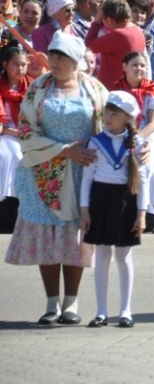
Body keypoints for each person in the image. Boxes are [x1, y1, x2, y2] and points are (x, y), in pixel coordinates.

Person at [5, 32, 107, 325]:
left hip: (83, 174)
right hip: (43, 171)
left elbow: (112, 126)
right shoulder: (38, 88)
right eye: (52, 55)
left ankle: (71, 303)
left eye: (62, 56)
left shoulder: (95, 90)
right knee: (47, 237)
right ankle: (52, 304)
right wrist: (63, 151)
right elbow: (25, 131)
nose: (55, 61)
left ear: (76, 61)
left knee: (75, 238)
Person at [80, 90, 148, 328]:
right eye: (107, 112)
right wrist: (85, 210)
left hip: (125, 201)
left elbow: (143, 180)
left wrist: (141, 214)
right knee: (102, 255)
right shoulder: (96, 142)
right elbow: (87, 178)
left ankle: (125, 311)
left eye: (115, 114)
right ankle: (101, 311)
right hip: (100, 200)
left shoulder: (138, 144)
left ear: (128, 118)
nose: (108, 117)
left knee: (123, 255)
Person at [113, 52, 154, 232]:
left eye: (143, 66)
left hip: (146, 135)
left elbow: (153, 123)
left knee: (149, 172)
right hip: (123, 135)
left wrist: (138, 139)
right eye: (135, 65)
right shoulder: (117, 89)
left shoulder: (151, 89)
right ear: (125, 67)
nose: (140, 69)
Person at [85, 0, 147, 90]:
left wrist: (97, 21)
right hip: (129, 88)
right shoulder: (137, 30)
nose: (103, 21)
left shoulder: (120, 35)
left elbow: (89, 44)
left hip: (115, 90)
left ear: (111, 20)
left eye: (104, 19)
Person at [0, 46, 31, 233]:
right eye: (16, 64)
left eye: (23, 65)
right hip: (6, 134)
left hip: (27, 134)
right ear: (5, 64)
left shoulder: (32, 87)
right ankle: (7, 206)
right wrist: (13, 132)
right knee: (9, 154)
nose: (20, 69)